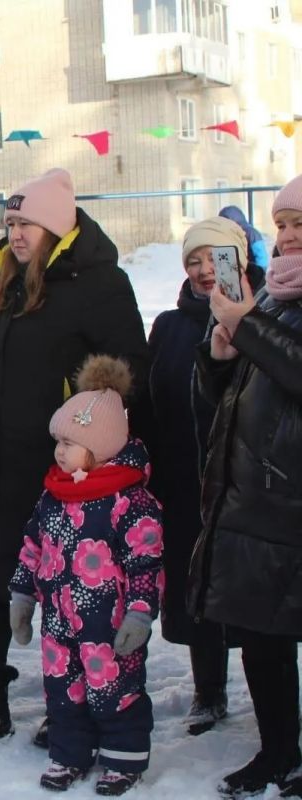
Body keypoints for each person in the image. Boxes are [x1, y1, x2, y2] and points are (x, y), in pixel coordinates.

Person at [0, 168, 150, 754]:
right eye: (9, 222)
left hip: (62, 472)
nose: (16, 233)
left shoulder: (98, 284)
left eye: (26, 222)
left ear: (57, 228)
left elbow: (127, 374)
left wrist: (91, 446)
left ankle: (73, 707)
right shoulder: (5, 284)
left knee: (68, 597)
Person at [191, 175, 302, 799]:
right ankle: (279, 751)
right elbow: (227, 403)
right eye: (282, 225)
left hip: (295, 502)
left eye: (300, 226)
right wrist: (220, 358)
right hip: (258, 498)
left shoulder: (267, 312)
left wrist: (251, 328)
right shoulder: (277, 301)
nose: (287, 238)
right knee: (263, 638)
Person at [9, 356, 163, 796]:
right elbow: (32, 546)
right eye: (58, 440)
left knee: (114, 689)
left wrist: (138, 614)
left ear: (102, 448)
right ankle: (69, 753)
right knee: (62, 689)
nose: (59, 450)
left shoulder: (129, 503)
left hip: (109, 626)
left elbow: (145, 564)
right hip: (59, 622)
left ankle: (123, 757)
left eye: (71, 442)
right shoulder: (55, 494)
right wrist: (22, 595)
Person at [146, 217, 264, 737]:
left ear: (238, 261)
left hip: (246, 477)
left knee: (254, 591)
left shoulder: (267, 315)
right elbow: (150, 397)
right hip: (181, 472)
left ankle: (272, 696)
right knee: (193, 584)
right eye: (192, 260)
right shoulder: (171, 325)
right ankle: (208, 688)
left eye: (213, 259)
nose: (201, 271)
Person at [218, 205, 271, 272]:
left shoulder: (251, 233)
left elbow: (261, 257)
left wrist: (260, 274)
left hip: (252, 273)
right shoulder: (231, 234)